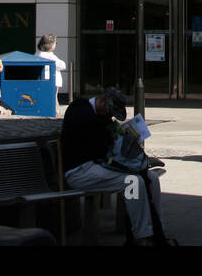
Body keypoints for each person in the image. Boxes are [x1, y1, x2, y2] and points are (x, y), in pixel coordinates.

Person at [60, 88, 169, 245]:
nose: (110, 117)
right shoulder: (79, 110)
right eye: (109, 112)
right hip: (80, 171)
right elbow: (101, 145)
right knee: (133, 182)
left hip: (99, 166)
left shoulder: (100, 116)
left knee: (151, 178)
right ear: (102, 102)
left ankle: (157, 227)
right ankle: (141, 234)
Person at [35, 34, 68, 105]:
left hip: (41, 80)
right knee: (53, 99)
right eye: (55, 43)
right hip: (52, 80)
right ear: (50, 45)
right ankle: (56, 112)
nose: (56, 44)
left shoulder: (37, 54)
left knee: (45, 98)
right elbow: (62, 65)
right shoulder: (49, 56)